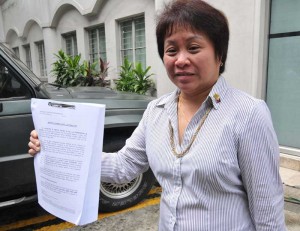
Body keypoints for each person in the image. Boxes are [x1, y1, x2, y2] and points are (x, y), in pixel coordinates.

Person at [29, 0, 286, 230]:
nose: (180, 60)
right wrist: (58, 148)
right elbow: (123, 166)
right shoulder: (156, 111)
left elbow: (267, 210)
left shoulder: (248, 114)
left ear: (220, 54)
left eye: (194, 48)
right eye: (171, 50)